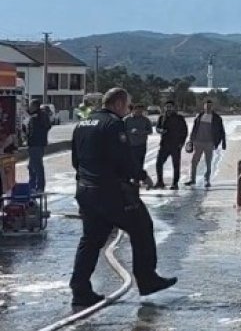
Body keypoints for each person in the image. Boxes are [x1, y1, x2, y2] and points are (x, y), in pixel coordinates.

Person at [69, 87, 177, 307]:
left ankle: (79, 289)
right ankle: (147, 279)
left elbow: (75, 160)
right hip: (110, 191)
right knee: (142, 227)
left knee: (91, 239)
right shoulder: (114, 124)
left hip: (86, 189)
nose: (128, 109)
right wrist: (141, 176)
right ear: (118, 104)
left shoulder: (83, 123)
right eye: (127, 105)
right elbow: (123, 158)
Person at [185, 99, 226, 189]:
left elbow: (221, 131)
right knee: (194, 161)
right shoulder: (199, 116)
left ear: (212, 107)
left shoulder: (216, 118)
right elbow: (194, 128)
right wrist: (191, 140)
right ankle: (192, 179)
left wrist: (221, 143)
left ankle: (207, 180)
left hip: (209, 143)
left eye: (210, 106)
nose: (208, 108)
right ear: (204, 106)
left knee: (208, 162)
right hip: (198, 142)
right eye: (206, 106)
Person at [155, 101, 188, 190]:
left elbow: (184, 131)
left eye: (170, 106)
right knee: (159, 163)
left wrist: (181, 143)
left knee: (176, 165)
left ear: (173, 108)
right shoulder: (162, 117)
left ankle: (175, 183)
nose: (168, 108)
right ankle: (160, 181)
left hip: (176, 145)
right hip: (164, 144)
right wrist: (160, 131)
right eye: (167, 107)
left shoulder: (179, 118)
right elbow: (157, 128)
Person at [124, 103, 155, 187]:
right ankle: (138, 179)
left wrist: (141, 132)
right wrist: (130, 132)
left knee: (139, 164)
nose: (139, 112)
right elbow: (122, 130)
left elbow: (150, 131)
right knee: (131, 164)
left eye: (141, 111)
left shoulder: (145, 120)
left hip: (141, 145)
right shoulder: (126, 120)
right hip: (130, 145)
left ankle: (137, 181)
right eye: (137, 110)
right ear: (133, 110)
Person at [24, 100, 51, 193]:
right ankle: (33, 185)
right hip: (37, 144)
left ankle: (38, 187)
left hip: (36, 144)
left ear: (35, 106)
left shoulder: (37, 117)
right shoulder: (40, 116)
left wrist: (28, 139)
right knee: (32, 166)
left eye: (31, 105)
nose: (29, 107)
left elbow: (33, 132)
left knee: (37, 166)